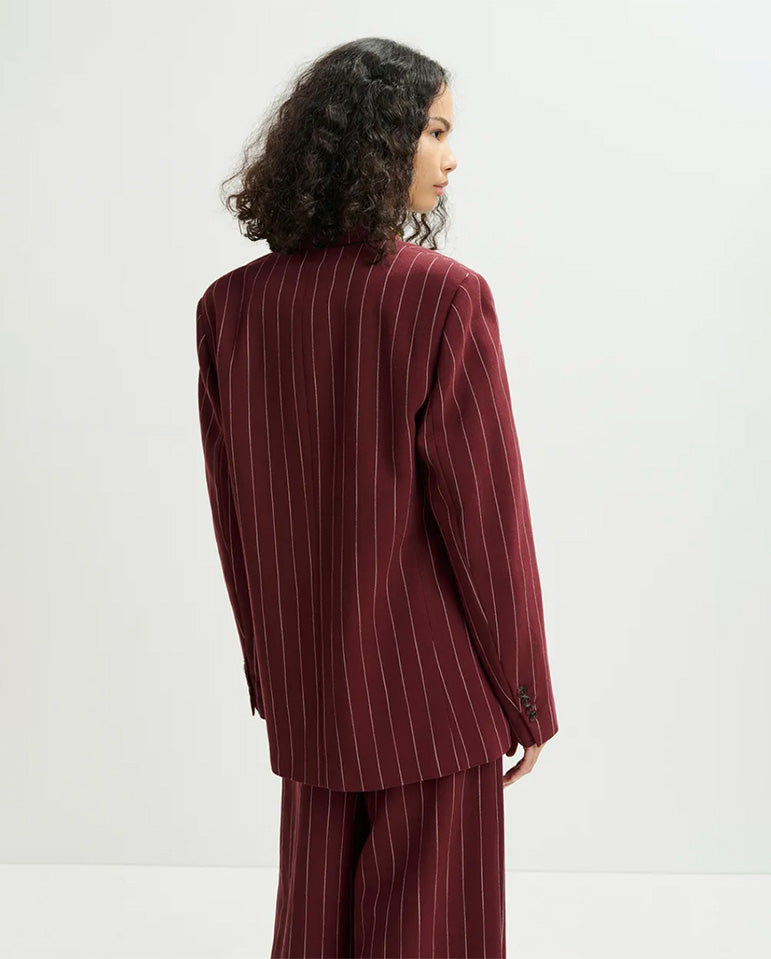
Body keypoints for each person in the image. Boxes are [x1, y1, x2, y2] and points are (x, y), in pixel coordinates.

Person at [196, 35, 558, 959]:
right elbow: (487, 520)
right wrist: (525, 695)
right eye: (432, 131)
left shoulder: (231, 308)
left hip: (311, 695)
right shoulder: (444, 298)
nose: (450, 156)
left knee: (313, 935)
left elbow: (235, 517)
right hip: (435, 700)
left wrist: (274, 676)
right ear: (376, 140)